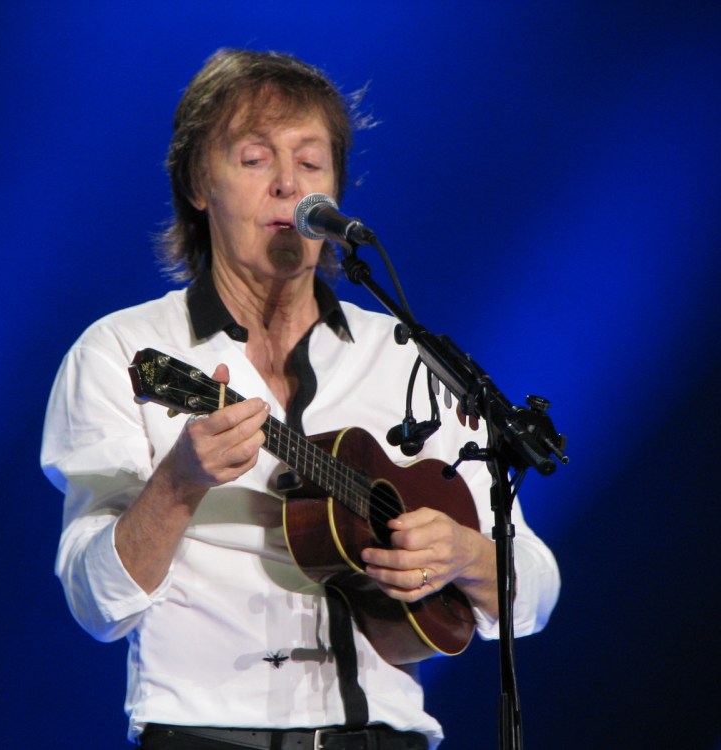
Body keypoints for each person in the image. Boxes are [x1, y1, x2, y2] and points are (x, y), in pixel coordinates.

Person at [41, 48, 560, 749]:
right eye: (255, 159)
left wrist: (468, 556)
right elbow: (96, 602)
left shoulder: (405, 358)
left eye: (311, 163)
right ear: (199, 183)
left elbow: (537, 590)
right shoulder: (120, 350)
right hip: (210, 738)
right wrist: (178, 484)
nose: (288, 184)